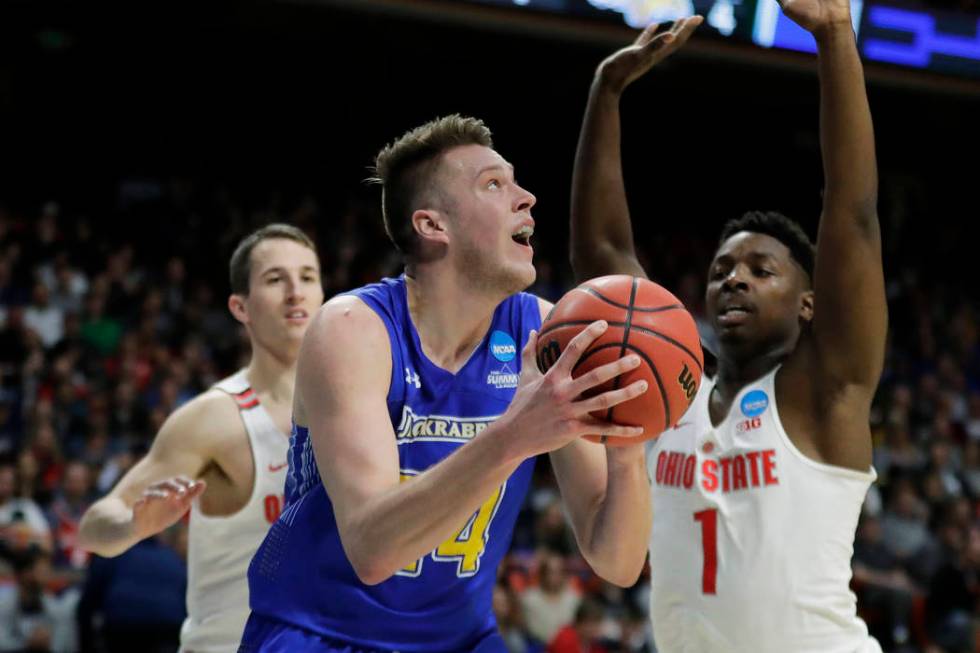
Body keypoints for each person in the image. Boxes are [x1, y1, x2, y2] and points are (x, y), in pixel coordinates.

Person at [241, 115, 653, 652]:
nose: (526, 197)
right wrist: (514, 436)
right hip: (322, 631)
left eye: (516, 181)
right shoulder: (352, 329)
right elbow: (373, 550)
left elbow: (617, 562)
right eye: (493, 184)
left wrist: (625, 449)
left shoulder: (550, 331)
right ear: (434, 226)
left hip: (459, 639)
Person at [569, 7, 886, 652]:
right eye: (721, 269)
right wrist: (606, 90)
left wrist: (832, 37)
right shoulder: (670, 396)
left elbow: (852, 214)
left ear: (807, 303)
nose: (733, 279)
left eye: (760, 270)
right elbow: (602, 255)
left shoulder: (824, 393)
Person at [78, 223, 324, 652]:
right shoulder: (215, 417)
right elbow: (95, 526)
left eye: (307, 277)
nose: (295, 292)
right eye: (274, 279)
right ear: (240, 307)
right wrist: (134, 524)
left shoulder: (360, 409)